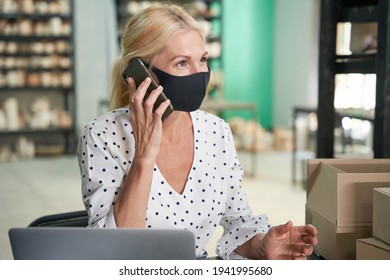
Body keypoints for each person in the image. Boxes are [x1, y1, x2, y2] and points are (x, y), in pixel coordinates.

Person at [77, 3, 318, 260]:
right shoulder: (103, 135)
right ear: (140, 73)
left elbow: (238, 221)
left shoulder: (216, 132)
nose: (200, 74)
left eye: (202, 59)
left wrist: (261, 245)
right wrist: (144, 157)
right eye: (182, 63)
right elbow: (111, 250)